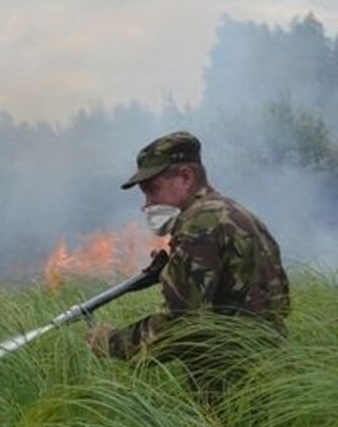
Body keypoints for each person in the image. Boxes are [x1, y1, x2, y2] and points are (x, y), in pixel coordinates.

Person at [86, 131, 291, 360]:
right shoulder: (235, 212)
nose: (147, 204)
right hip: (272, 365)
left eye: (153, 190)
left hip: (235, 377)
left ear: (185, 177)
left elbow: (181, 324)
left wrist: (111, 343)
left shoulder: (199, 224)